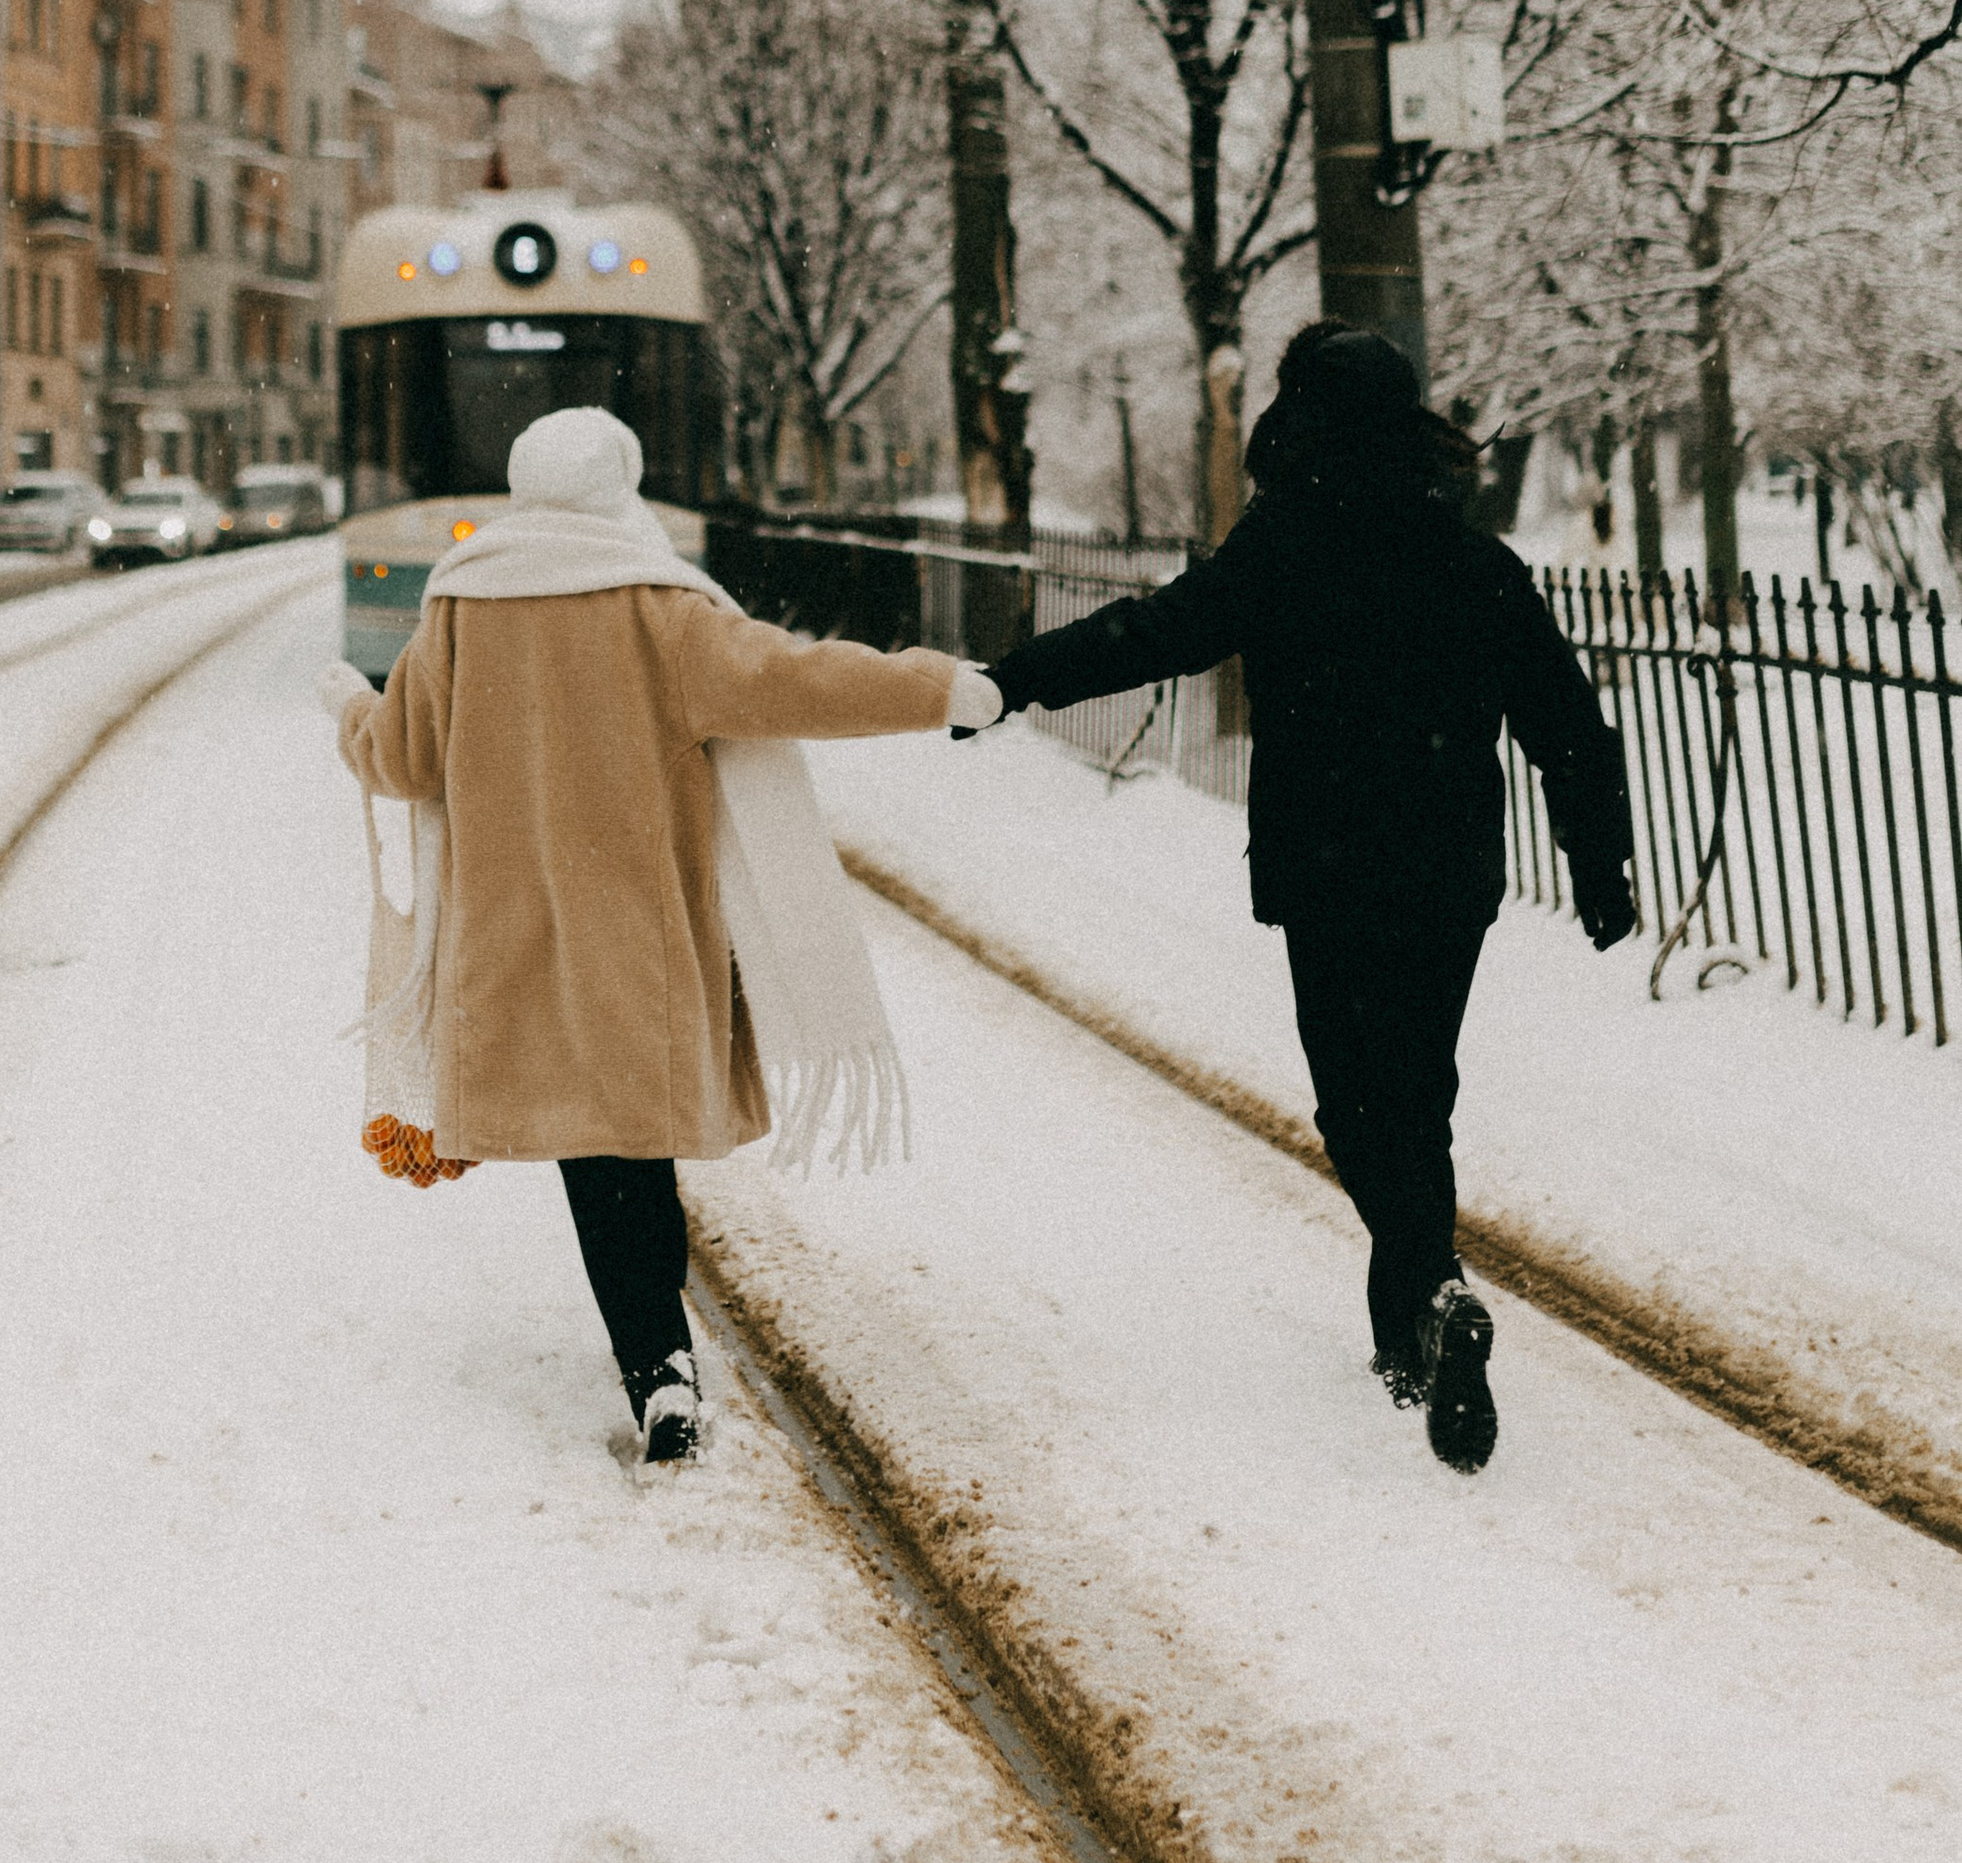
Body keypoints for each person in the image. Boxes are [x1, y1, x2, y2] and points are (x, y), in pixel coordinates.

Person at [961, 322, 1635, 1474]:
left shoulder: (1283, 546)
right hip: (1447, 865)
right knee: (1417, 1093)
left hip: (1330, 867)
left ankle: (1428, 1289)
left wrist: (1013, 678)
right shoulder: (1473, 561)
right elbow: (1563, 722)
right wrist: (1598, 859)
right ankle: (1410, 1336)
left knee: (1354, 1106)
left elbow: (1154, 636)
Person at [320, 405, 999, 1463]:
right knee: (634, 1151)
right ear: (618, 487)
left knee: (597, 1161)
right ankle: (660, 1360)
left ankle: (654, 1360)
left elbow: (403, 761)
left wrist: (349, 709)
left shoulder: (461, 605)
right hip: (638, 942)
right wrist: (935, 685)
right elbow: (795, 680)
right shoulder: (664, 611)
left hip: (515, 944)